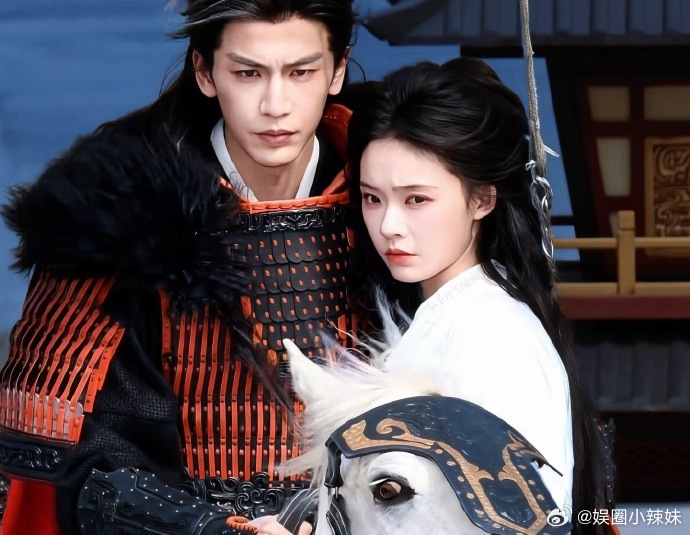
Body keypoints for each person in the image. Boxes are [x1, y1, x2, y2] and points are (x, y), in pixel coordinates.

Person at [0, 1, 358, 534]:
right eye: (248, 73)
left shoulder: (388, 203)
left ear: (338, 71)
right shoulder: (122, 215)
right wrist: (214, 528)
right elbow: (82, 461)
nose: (276, 105)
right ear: (205, 73)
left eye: (301, 72)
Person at [347, 57, 611, 534]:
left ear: (482, 200)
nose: (388, 225)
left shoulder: (492, 335)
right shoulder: (444, 317)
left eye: (416, 199)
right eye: (372, 198)